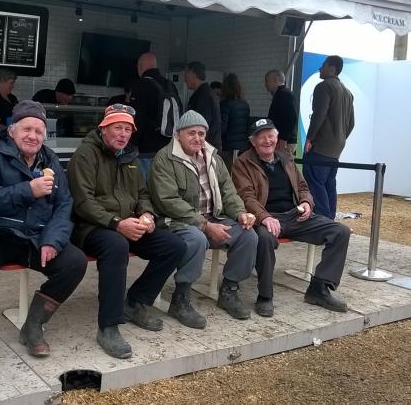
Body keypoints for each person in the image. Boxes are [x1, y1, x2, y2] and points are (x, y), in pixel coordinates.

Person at [0, 100, 88, 372]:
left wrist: (52, 239)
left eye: (39, 131)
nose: (33, 136)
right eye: (27, 129)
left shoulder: (49, 160)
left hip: (32, 236)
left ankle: (33, 325)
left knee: (74, 262)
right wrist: (29, 190)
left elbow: (64, 204)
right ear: (12, 131)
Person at [67, 104, 186, 359]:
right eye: (117, 128)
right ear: (103, 128)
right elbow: (83, 202)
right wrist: (116, 223)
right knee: (116, 246)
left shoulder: (130, 157)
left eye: (127, 129)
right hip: (91, 227)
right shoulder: (86, 155)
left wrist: (146, 214)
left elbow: (143, 194)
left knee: (174, 245)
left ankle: (136, 302)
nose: (123, 134)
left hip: (127, 224)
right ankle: (108, 325)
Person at [232, 118, 351, 316]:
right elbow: (246, 197)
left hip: (295, 215)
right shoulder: (243, 162)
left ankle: (319, 289)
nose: (267, 141)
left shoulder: (285, 157)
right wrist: (264, 217)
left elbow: (303, 187)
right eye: (261, 137)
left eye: (271, 136)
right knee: (264, 238)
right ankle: (265, 295)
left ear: (277, 138)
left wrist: (306, 203)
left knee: (340, 231)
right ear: (253, 142)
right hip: (266, 216)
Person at [148, 110, 258, 322]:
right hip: (176, 220)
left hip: (212, 216)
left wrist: (241, 213)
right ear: (178, 134)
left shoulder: (213, 157)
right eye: (191, 133)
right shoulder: (165, 158)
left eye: (201, 133)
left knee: (248, 235)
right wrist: (205, 225)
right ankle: (180, 298)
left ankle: (229, 290)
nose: (197, 138)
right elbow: (168, 201)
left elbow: (228, 191)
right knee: (196, 238)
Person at [303, 55, 354, 219]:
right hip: (336, 149)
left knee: (315, 183)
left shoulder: (324, 87)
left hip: (320, 147)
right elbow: (352, 123)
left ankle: (323, 221)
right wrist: (340, 138)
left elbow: (319, 115)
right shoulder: (347, 93)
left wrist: (309, 139)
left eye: (323, 65)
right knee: (329, 184)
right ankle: (330, 219)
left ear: (332, 69)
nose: (320, 68)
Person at [129, 52, 182, 178]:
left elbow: (137, 119)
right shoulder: (170, 85)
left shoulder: (141, 85)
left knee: (145, 187)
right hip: (169, 148)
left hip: (147, 149)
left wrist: (131, 144)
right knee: (163, 187)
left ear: (140, 67)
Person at [185, 61, 222, 150]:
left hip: (205, 148)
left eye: (186, 75)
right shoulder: (206, 94)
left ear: (193, 75)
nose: (185, 79)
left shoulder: (203, 97)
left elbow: (201, 126)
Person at [219, 73, 251, 169]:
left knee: (229, 175)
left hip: (228, 147)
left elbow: (222, 128)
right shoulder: (245, 104)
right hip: (243, 147)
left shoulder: (225, 105)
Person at [265, 69, 298, 155]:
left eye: (267, 81)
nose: (265, 85)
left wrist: (284, 138)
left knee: (284, 166)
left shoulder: (284, 94)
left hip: (284, 142)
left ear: (275, 79)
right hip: (282, 139)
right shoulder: (281, 94)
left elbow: (291, 117)